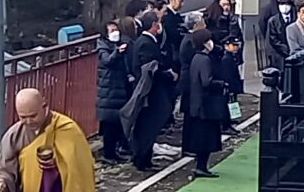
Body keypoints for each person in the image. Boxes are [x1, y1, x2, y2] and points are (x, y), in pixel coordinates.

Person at [128, 11, 181, 167]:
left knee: (149, 125)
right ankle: (142, 158)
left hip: (151, 90)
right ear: (153, 25)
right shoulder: (145, 43)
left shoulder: (146, 41)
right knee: (147, 126)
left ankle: (145, 158)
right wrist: (169, 75)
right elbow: (150, 69)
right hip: (150, 91)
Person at [183, 29, 228, 178]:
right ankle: (201, 166)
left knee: (202, 136)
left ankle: (201, 166)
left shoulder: (197, 58)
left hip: (198, 103)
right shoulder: (204, 59)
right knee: (206, 137)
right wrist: (221, 84)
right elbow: (206, 81)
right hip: (206, 105)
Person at [96, 20, 130, 163]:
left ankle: (115, 151)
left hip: (118, 88)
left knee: (117, 123)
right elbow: (107, 61)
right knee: (109, 124)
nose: (115, 33)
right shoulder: (103, 47)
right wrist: (117, 52)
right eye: (111, 31)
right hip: (108, 89)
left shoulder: (117, 44)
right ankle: (108, 153)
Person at [266, 0, 295, 68]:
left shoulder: (296, 19)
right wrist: (286, 49)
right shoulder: (273, 21)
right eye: (282, 3)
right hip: (278, 55)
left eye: (287, 3)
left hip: (295, 53)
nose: (285, 6)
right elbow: (273, 39)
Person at [162, 0, 186, 69]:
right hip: (172, 51)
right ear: (172, 0)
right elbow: (173, 34)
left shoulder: (176, 15)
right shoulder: (168, 17)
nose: (182, 4)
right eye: (180, 1)